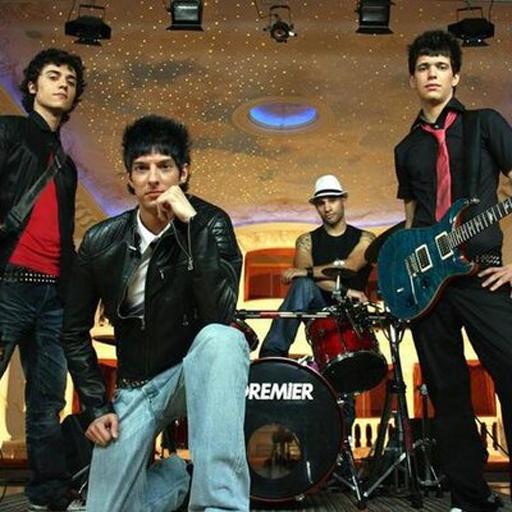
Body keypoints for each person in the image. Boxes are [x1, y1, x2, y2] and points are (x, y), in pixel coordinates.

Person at [61, 115, 250, 512]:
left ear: (184, 172)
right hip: (136, 387)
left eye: (164, 166)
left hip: (192, 371)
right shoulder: (100, 242)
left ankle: (219, 505)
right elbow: (73, 331)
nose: (153, 179)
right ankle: (175, 477)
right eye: (141, 168)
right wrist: (95, 406)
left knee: (224, 339)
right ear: (129, 178)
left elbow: (219, 313)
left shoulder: (210, 224)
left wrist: (191, 227)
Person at [395, 30, 512, 512]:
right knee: (446, 392)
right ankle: (470, 496)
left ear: (456, 76)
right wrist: (406, 282)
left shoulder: (485, 124)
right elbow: (410, 222)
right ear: (413, 79)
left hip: (483, 274)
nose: (432, 74)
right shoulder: (406, 148)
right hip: (430, 288)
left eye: (441, 66)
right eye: (424, 67)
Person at [0, 48, 86, 511]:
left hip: (53, 294)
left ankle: (48, 495)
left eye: (70, 80)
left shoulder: (68, 166)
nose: (63, 84)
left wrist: (75, 291)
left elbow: (64, 233)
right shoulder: (8, 132)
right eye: (53, 76)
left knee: (48, 401)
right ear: (33, 85)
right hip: (8, 283)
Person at [259, 174, 375, 359]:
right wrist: (345, 290)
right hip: (320, 312)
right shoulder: (306, 241)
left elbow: (351, 266)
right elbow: (305, 279)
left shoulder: (366, 238)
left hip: (352, 314)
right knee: (303, 284)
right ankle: (272, 353)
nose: (327, 208)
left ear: (343, 200)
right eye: (321, 203)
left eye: (332, 200)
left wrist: (307, 272)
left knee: (305, 278)